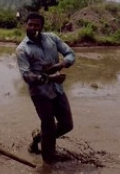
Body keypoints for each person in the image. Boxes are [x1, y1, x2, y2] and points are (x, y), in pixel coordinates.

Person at [15, 12, 76, 164]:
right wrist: (50, 77)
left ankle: (38, 138)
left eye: (37, 25)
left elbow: (70, 54)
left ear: (42, 26)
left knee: (67, 125)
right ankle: (48, 164)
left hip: (57, 89)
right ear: (26, 25)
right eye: (30, 24)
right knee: (48, 127)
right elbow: (27, 76)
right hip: (40, 93)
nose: (33, 27)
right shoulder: (22, 49)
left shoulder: (52, 38)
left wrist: (61, 64)